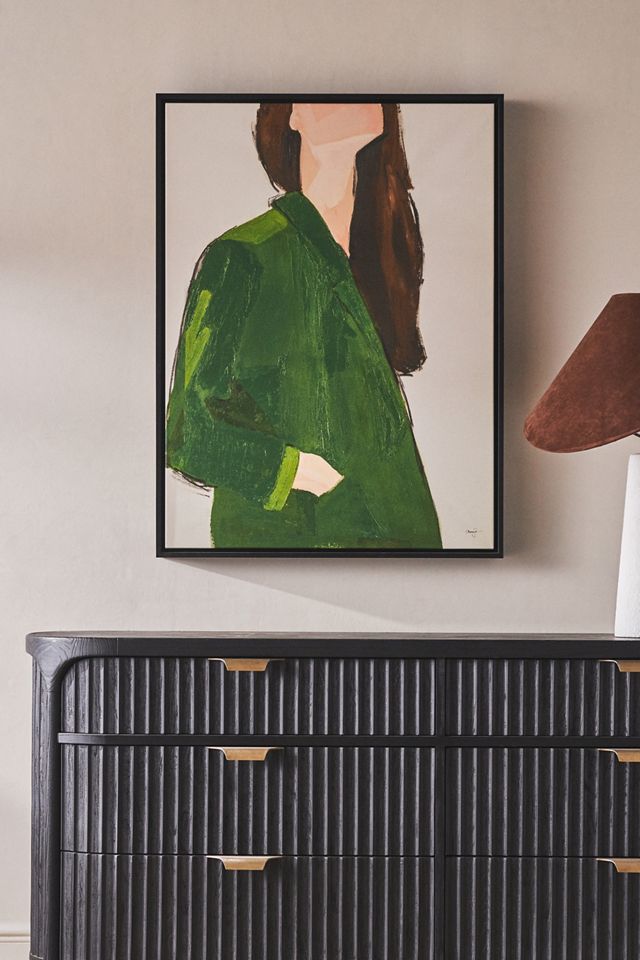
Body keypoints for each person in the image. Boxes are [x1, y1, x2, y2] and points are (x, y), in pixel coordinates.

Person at [166, 102, 442, 550]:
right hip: (294, 543)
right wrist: (299, 472)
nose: (345, 97)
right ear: (291, 116)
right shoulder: (240, 255)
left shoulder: (382, 249)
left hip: (403, 540)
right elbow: (187, 434)